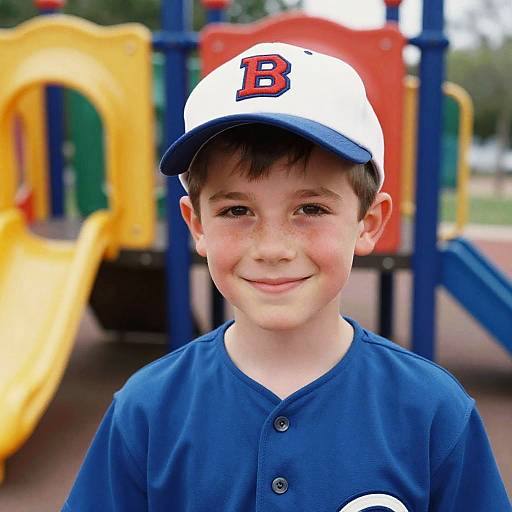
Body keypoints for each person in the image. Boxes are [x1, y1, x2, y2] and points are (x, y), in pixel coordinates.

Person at [62, 42, 510, 511]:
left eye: (310, 209)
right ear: (197, 225)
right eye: (237, 210)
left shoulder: (432, 411)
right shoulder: (147, 411)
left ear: (369, 222)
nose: (273, 249)